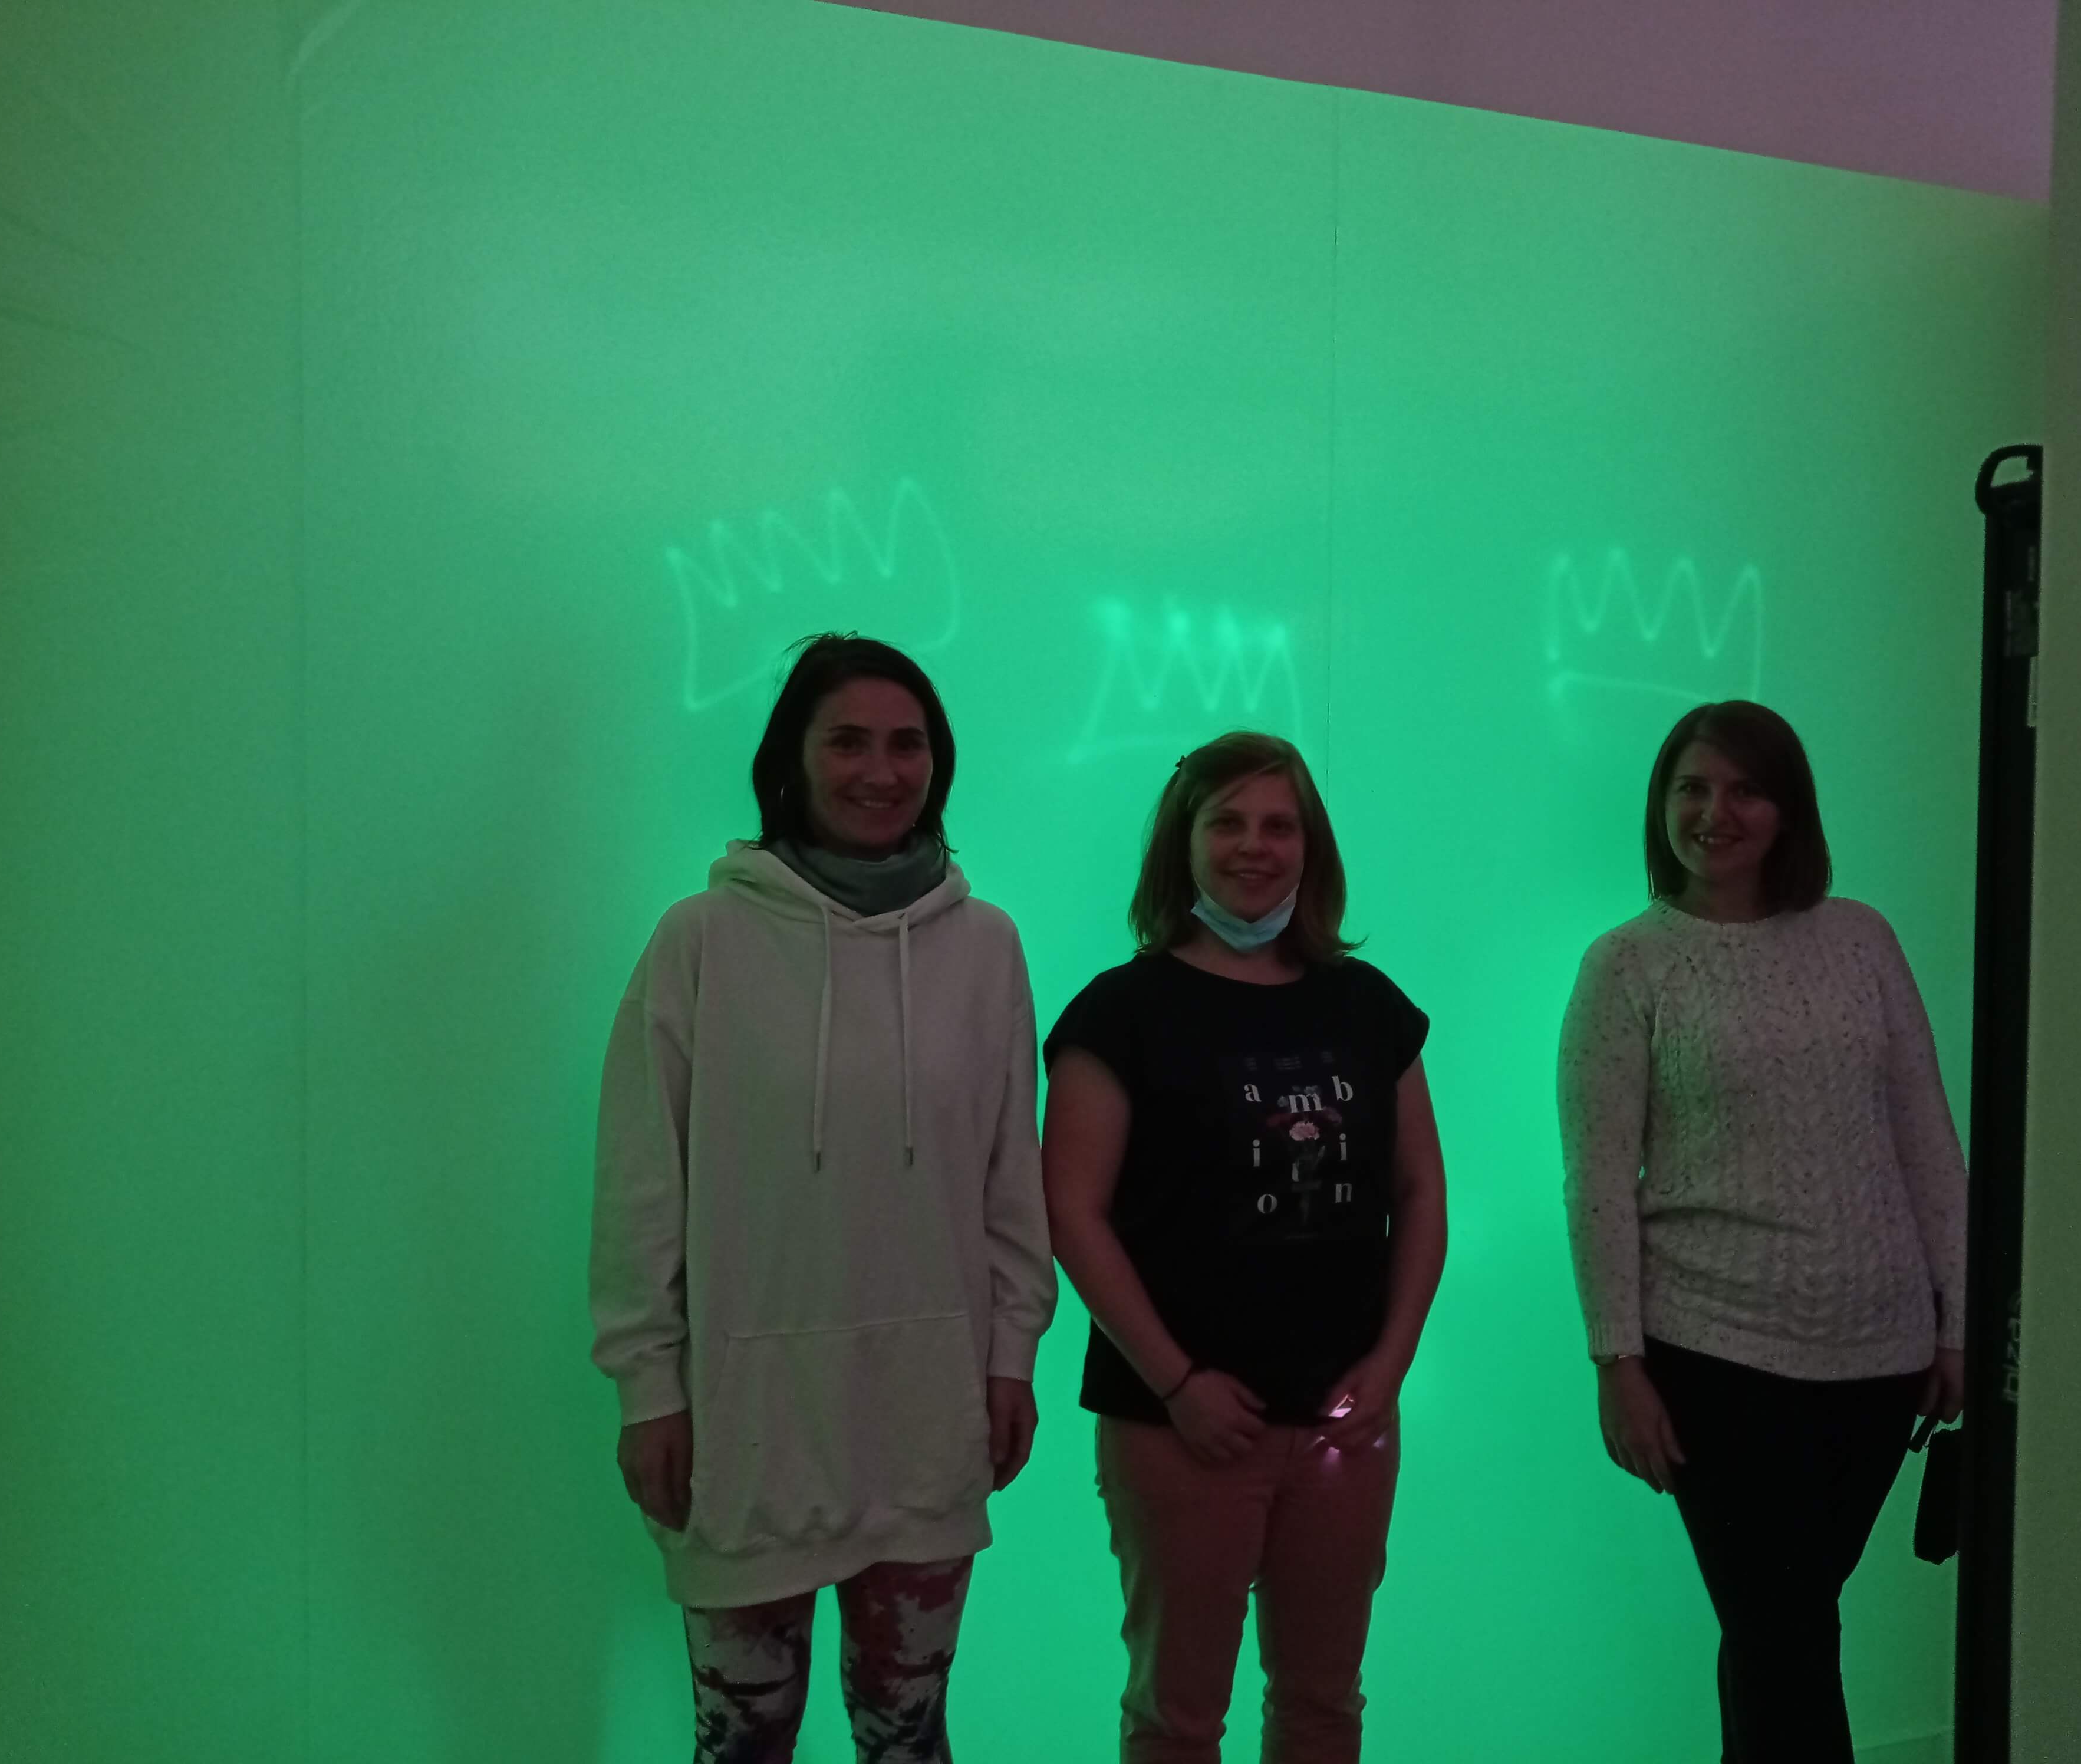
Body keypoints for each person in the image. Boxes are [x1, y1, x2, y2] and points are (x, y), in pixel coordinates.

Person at [590, 634, 1056, 1764]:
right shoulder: (700, 940)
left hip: (928, 1410)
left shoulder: (986, 947)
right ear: (791, 760)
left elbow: (1010, 1177)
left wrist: (1011, 1359)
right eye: (847, 741)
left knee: (909, 1737)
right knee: (742, 1743)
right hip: (746, 1417)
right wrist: (648, 1387)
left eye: (908, 745)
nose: (880, 771)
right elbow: (641, 1182)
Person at [1557, 700, 1968, 1764]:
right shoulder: (1627, 966)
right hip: (1716, 1354)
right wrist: (1617, 1361)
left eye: (1745, 789)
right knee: (1783, 1631)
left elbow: (1926, 1135)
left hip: (1880, 1356)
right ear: (1661, 807)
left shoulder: (1862, 938)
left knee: (1783, 1627)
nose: (1716, 812)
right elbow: (1598, 1181)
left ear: (1790, 809)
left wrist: (1957, 1320)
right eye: (1691, 789)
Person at [1042, 731, 1448, 1764]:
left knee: (1323, 1706)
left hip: (1344, 1428)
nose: (1253, 846)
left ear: (1312, 847)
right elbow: (1072, 1214)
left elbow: (1421, 1194)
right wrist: (1178, 1384)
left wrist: (1390, 1367)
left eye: (1279, 825)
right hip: (1178, 1429)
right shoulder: (1118, 1014)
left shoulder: (1369, 1006)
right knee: (1177, 1720)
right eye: (1226, 822)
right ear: (1183, 843)